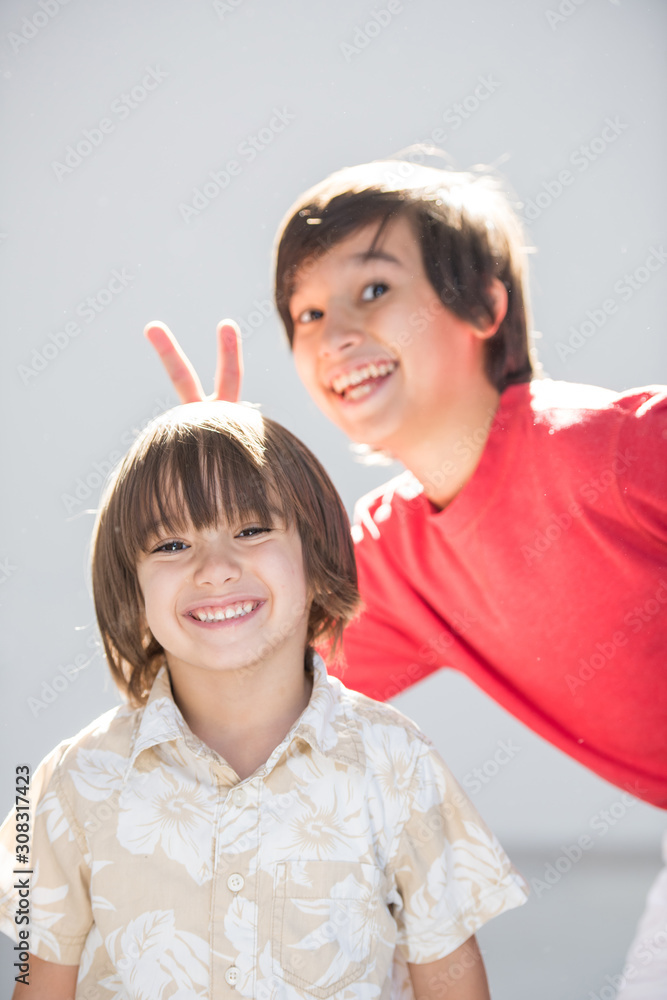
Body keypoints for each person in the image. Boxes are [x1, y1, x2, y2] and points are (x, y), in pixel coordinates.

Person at [146, 157, 667, 995]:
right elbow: (240, 702)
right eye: (308, 313)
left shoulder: (615, 446)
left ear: (483, 307)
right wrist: (213, 502)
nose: (334, 334)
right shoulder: (387, 560)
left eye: (374, 289)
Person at [0, 401, 528, 999]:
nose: (215, 569)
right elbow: (38, 980)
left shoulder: (397, 765)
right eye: (171, 543)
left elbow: (454, 985)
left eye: (251, 531)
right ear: (131, 588)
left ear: (316, 560)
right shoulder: (75, 781)